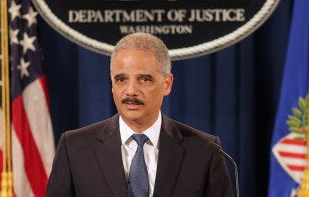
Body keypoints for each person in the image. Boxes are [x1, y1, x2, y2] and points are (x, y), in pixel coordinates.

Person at [46, 32, 233, 197]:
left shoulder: (204, 151)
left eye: (144, 79)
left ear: (167, 84)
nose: (131, 91)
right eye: (121, 79)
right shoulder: (74, 148)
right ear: (112, 84)